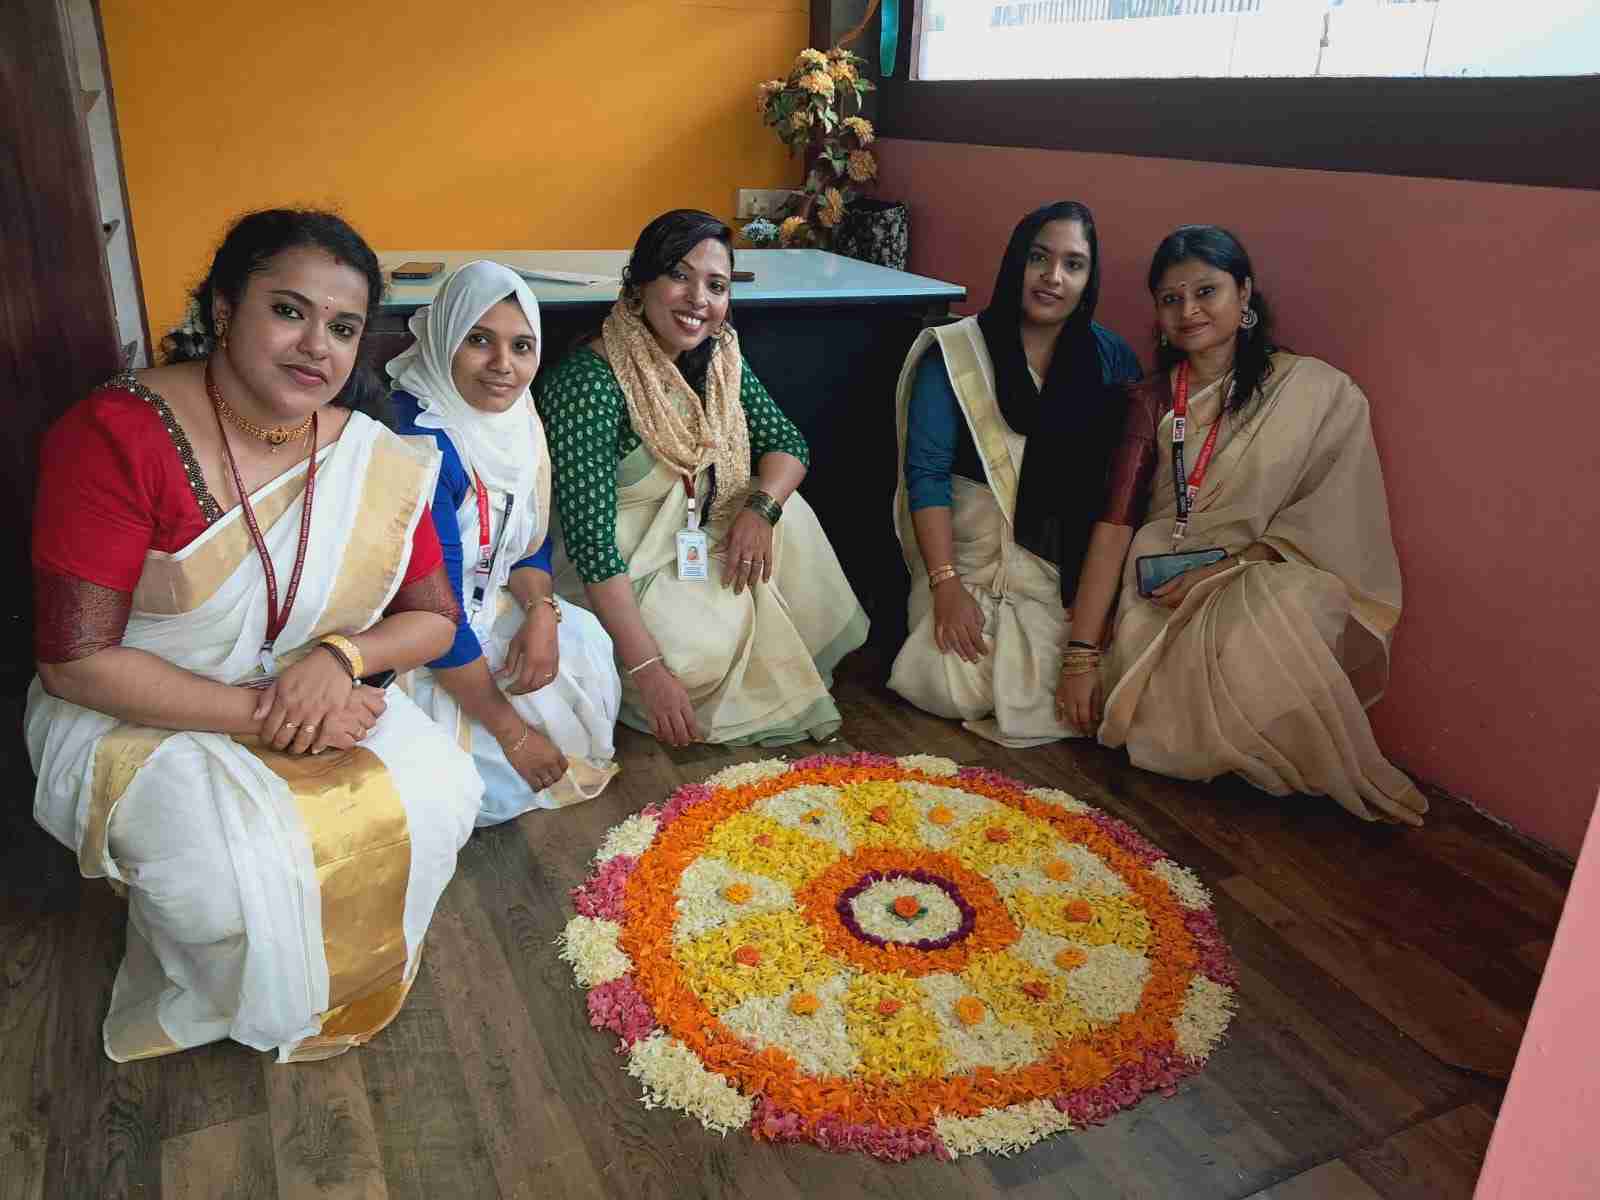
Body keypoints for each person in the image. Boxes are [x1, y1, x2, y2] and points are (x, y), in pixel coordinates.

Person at [26, 209, 482, 1062]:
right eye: (289, 310)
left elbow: (433, 621)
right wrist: (266, 712)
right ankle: (230, 992)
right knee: (216, 878)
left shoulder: (369, 457)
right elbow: (74, 664)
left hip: (317, 688)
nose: (318, 346)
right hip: (139, 703)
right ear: (225, 309)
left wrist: (342, 658)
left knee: (443, 791)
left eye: (344, 328)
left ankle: (332, 982)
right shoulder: (116, 436)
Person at [1054, 224, 1427, 825]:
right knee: (1161, 730)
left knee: (1286, 603)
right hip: (1162, 577)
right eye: (1171, 298)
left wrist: (1233, 565)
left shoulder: (1315, 391)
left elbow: (1331, 515)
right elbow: (1115, 526)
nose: (1189, 310)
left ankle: (1244, 755)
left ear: (1245, 293)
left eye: (1207, 291)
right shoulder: (1150, 399)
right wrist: (1080, 655)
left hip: (1256, 564)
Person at [536, 209, 868, 747]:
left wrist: (759, 511)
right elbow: (591, 546)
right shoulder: (590, 382)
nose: (698, 300)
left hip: (698, 539)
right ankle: (674, 666)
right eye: (679, 275)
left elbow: (788, 445)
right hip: (620, 571)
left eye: (715, 285)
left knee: (787, 511)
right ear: (638, 283)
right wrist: (646, 668)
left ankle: (740, 633)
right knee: (694, 661)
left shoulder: (720, 360)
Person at [888, 200, 1142, 745]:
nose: (1053, 278)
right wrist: (946, 587)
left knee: (1089, 696)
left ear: (1089, 278)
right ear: (1014, 263)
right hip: (969, 562)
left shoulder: (1109, 359)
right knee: (950, 685)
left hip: (1060, 571)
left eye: (1073, 265)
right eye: (1039, 258)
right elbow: (927, 475)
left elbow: (1120, 490)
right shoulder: (955, 353)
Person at [390, 260, 620, 821]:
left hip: (486, 603)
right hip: (414, 637)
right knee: (463, 784)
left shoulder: (517, 418)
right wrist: (514, 736)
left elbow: (527, 543)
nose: (503, 366)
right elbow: (432, 606)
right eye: (478, 340)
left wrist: (541, 612)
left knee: (580, 638)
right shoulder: (415, 438)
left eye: (522, 347)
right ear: (444, 338)